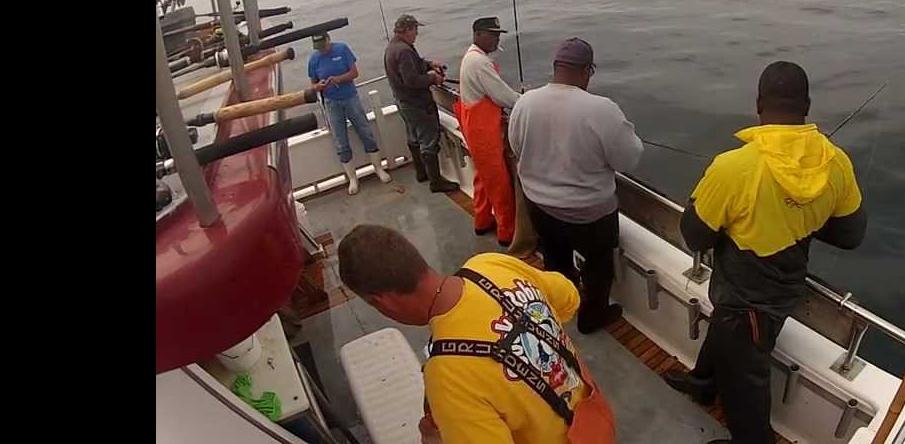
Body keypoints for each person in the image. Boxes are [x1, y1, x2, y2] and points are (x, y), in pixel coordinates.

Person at [663, 61, 868, 444]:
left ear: (758, 103)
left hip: (745, 304)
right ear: (806, 105)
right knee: (727, 336)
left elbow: (696, 238)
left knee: (746, 386)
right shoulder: (836, 162)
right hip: (784, 290)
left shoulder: (732, 167)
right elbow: (850, 234)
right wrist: (801, 213)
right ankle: (704, 382)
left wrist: (700, 205)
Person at [337, 224, 615, 444]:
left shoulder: (447, 376)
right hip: (595, 419)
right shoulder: (490, 265)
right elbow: (568, 297)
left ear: (383, 301)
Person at [507, 38, 642, 334]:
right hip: (590, 215)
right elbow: (628, 159)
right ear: (587, 71)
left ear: (556, 68)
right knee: (598, 266)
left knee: (556, 258)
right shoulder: (602, 109)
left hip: (540, 206)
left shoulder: (525, 102)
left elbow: (515, 145)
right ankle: (592, 317)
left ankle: (563, 304)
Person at [457, 17, 521, 245]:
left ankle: (482, 221)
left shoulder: (470, 57)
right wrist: (525, 101)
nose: (497, 39)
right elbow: (502, 95)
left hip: (474, 130)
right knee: (498, 183)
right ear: (478, 35)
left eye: (498, 34)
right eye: (493, 34)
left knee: (482, 179)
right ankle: (507, 233)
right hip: (484, 135)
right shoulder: (480, 63)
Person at [383, 13, 460, 192]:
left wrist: (429, 64)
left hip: (404, 103)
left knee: (414, 138)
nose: (417, 33)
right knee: (429, 142)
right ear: (407, 30)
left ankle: (421, 173)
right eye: (415, 29)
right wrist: (433, 79)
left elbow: (414, 65)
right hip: (417, 105)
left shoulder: (394, 47)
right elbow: (412, 80)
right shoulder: (404, 51)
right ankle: (436, 182)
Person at [309, 32, 391, 194]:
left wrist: (338, 79)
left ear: (328, 39)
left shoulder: (342, 49)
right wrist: (319, 86)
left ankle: (378, 168)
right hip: (331, 103)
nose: (322, 50)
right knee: (340, 140)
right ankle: (352, 178)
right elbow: (312, 84)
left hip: (350, 97)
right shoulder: (314, 59)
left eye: (323, 46)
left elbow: (354, 73)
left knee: (365, 132)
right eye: (319, 48)